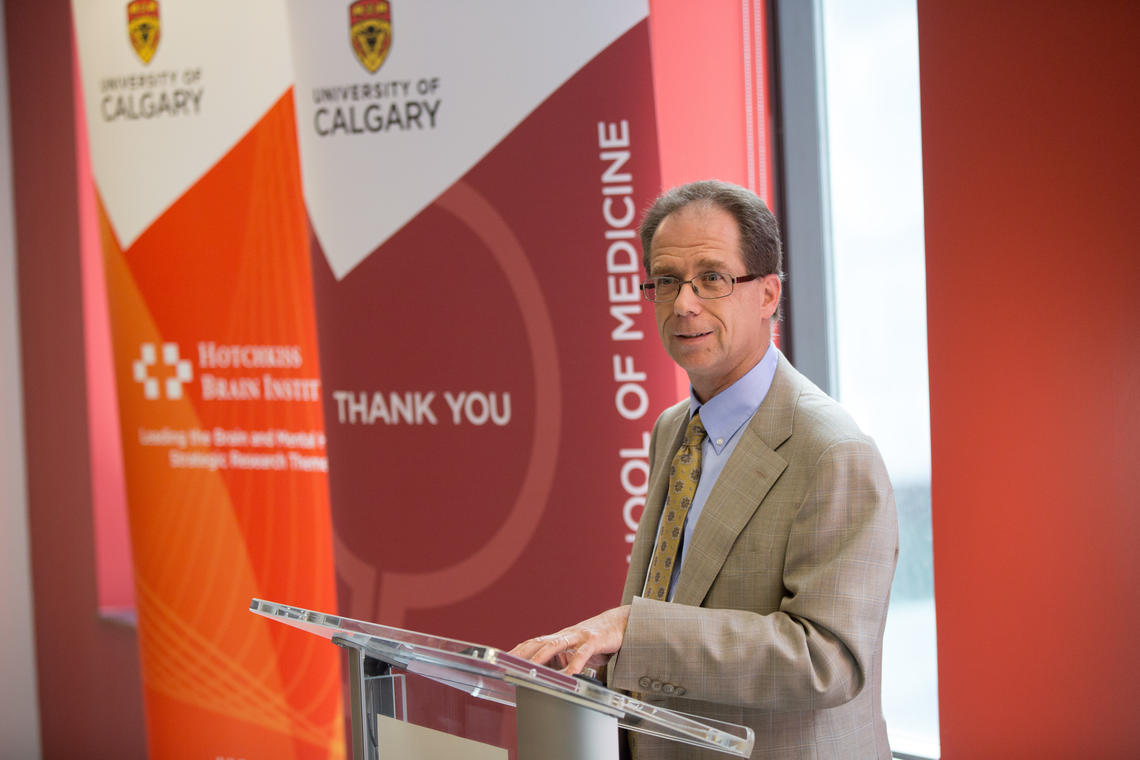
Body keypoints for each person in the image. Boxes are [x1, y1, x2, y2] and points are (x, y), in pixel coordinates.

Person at [510, 180, 898, 759]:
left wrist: (634, 632)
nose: (684, 303)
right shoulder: (674, 429)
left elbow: (830, 661)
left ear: (768, 294)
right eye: (667, 281)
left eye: (712, 278)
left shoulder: (833, 451)